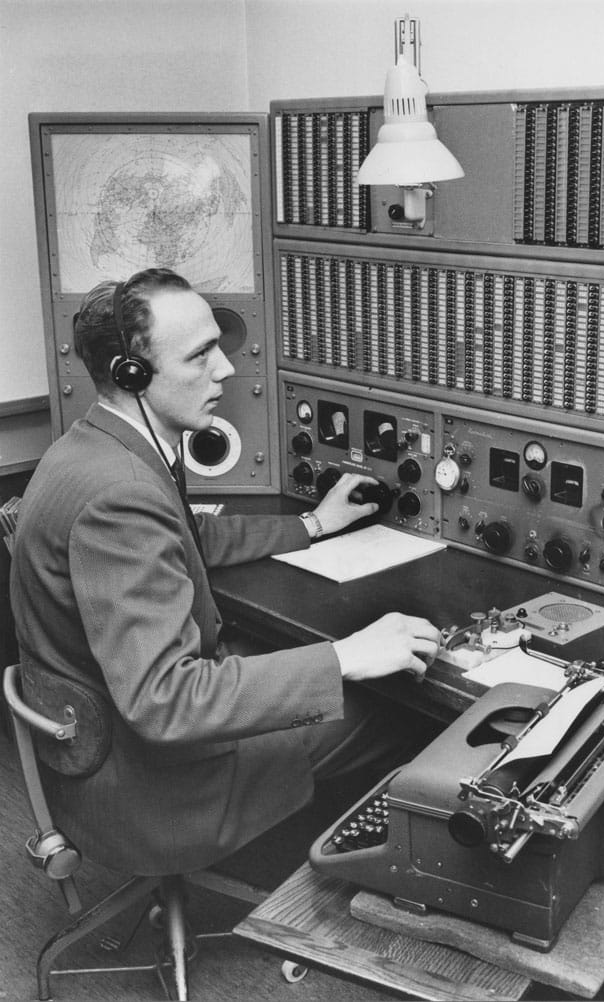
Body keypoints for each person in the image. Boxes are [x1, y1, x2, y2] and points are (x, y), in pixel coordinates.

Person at [10, 267, 441, 876]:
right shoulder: (119, 496)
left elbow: (188, 536)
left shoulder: (91, 449)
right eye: (200, 355)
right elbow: (166, 700)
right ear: (132, 375)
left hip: (93, 751)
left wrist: (314, 524)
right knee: (399, 706)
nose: (226, 369)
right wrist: (346, 657)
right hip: (150, 795)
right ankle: (336, 902)